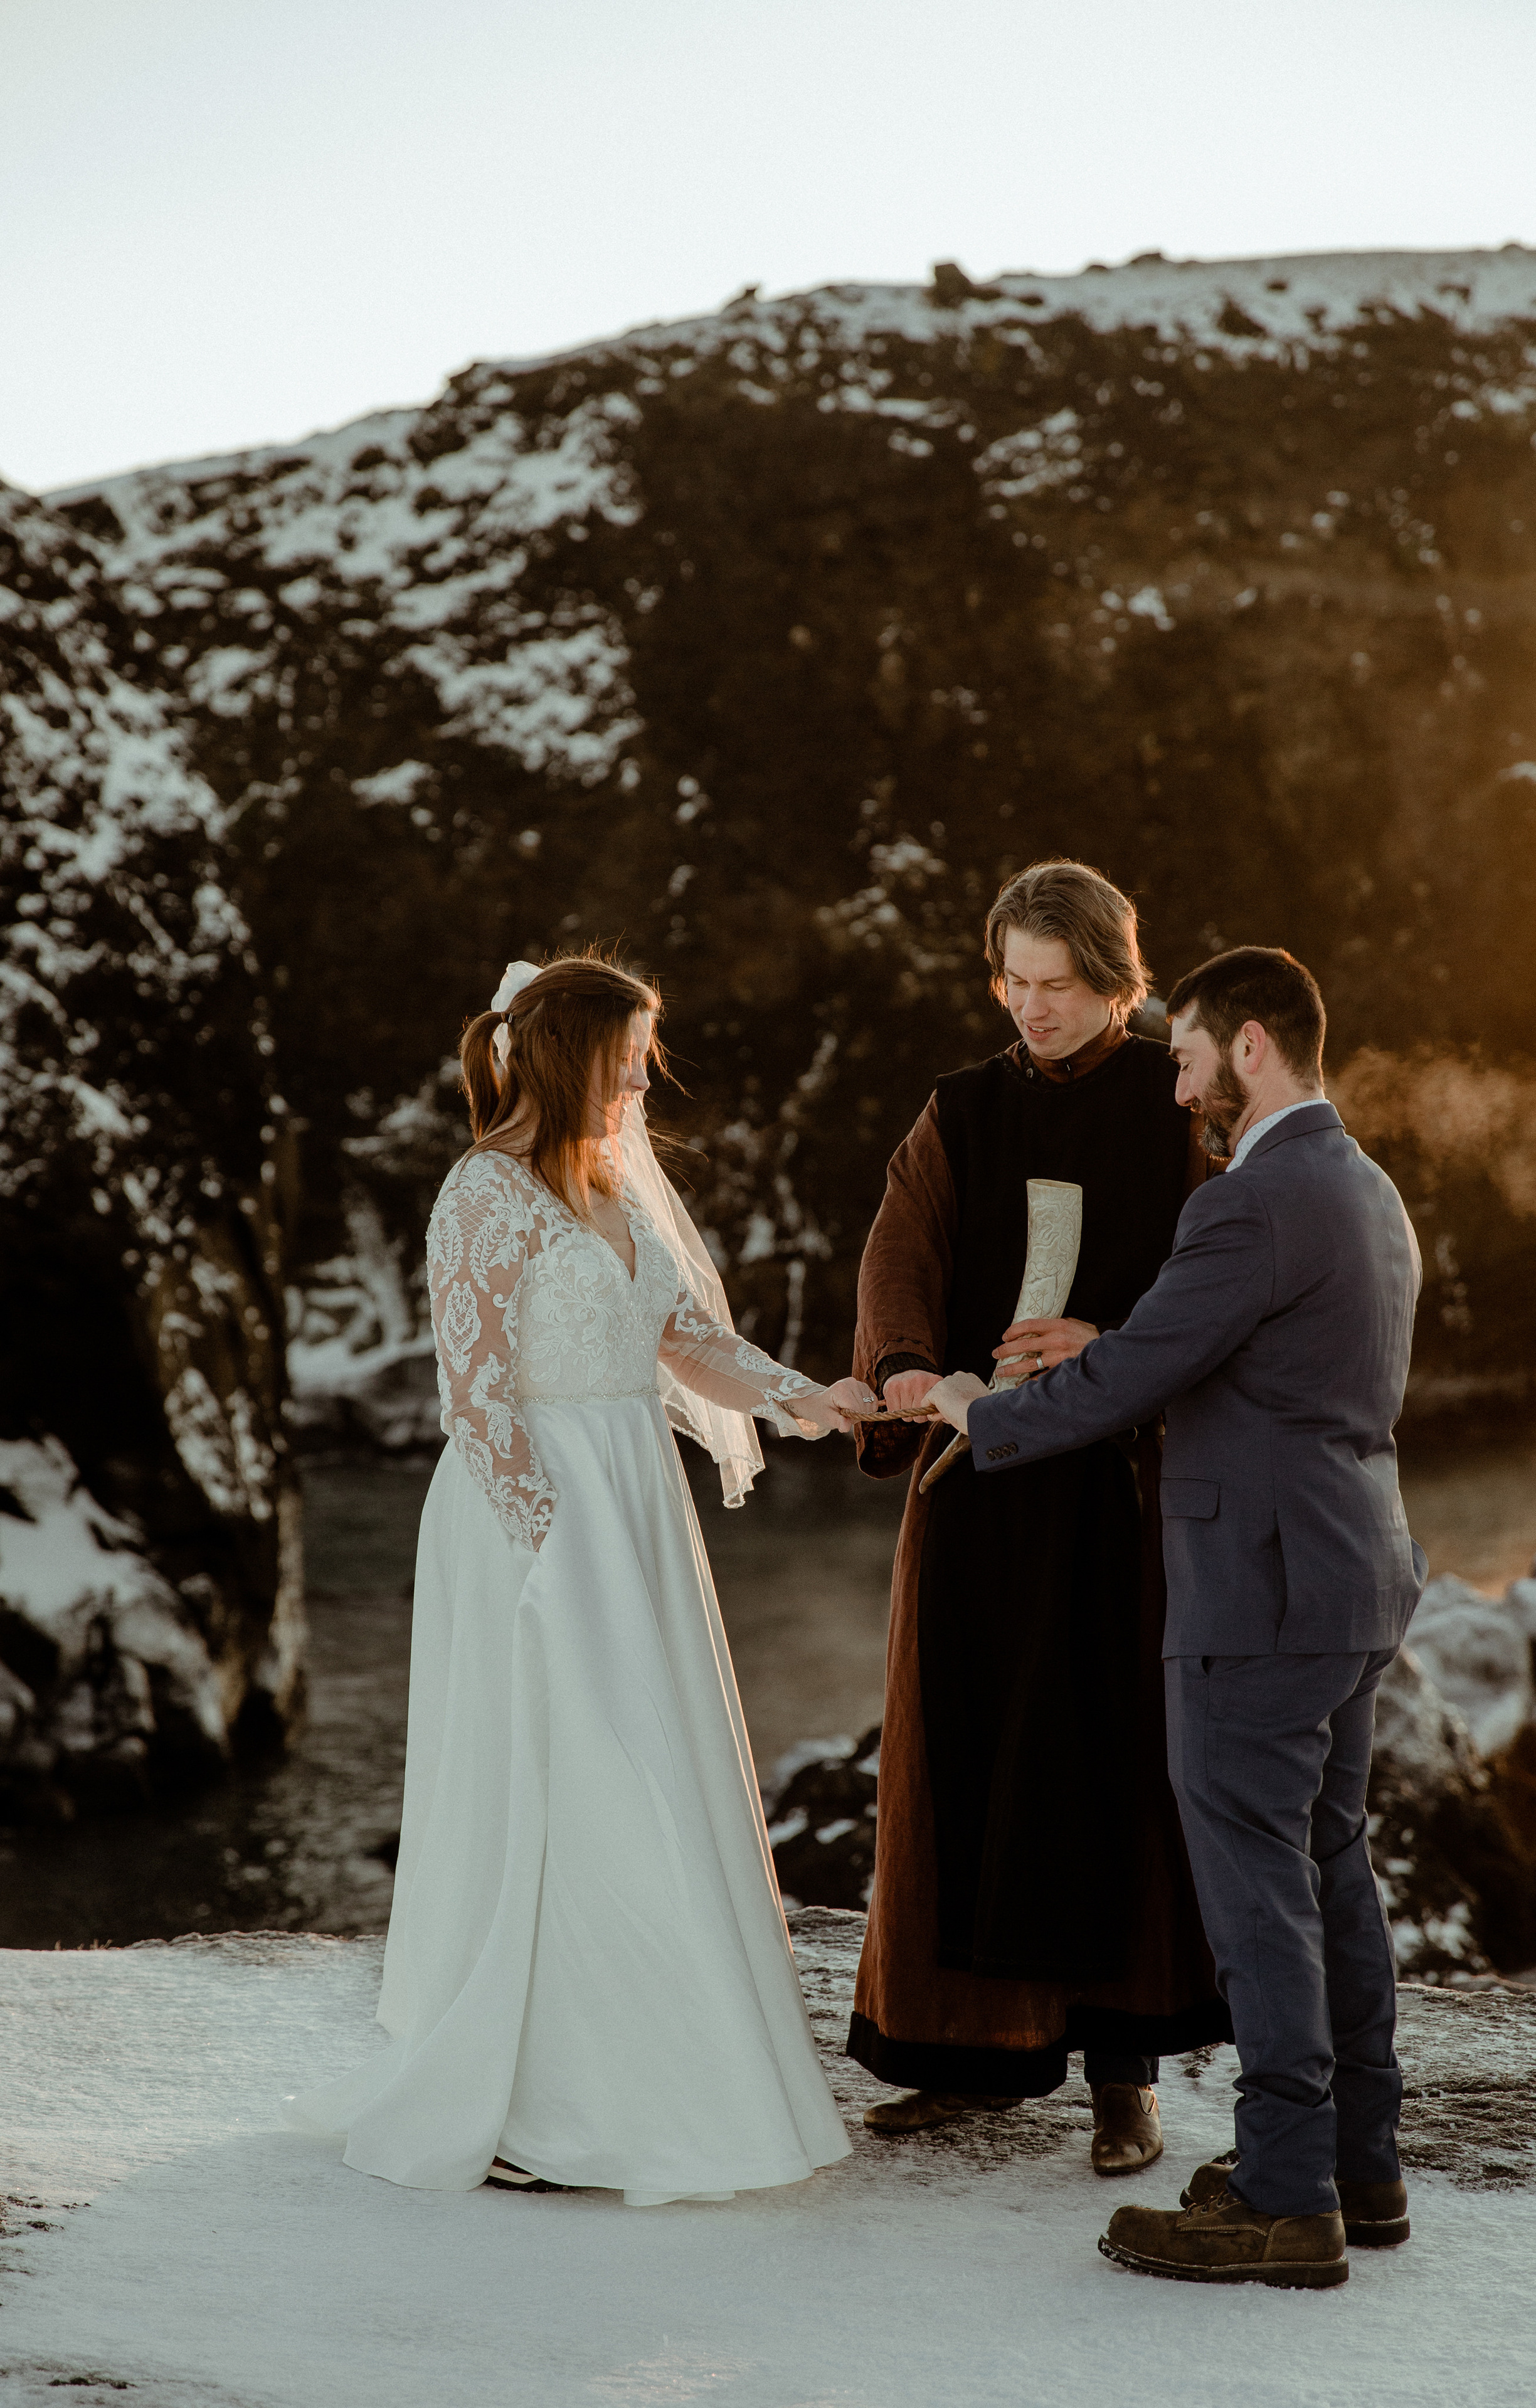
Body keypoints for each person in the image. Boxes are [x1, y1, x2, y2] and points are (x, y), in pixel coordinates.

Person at [288, 952, 874, 2205]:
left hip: (634, 1502)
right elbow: (476, 1395)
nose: (642, 1082)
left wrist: (806, 1398)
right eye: (627, 1059)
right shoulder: (482, 1193)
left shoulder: (610, 1184)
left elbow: (684, 1339)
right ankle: (531, 2102)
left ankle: (643, 2079)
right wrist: (546, 1542)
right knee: (557, 1783)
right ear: (567, 1058)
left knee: (643, 1772)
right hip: (535, 1513)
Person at [926, 945, 1426, 2289]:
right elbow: (1246, 1366)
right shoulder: (1361, 1185)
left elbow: (1136, 1375)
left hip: (1254, 1589)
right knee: (1329, 1869)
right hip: (1352, 1571)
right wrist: (1112, 1352)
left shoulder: (1247, 1202)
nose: (1177, 1084)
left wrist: (980, 1411)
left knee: (1257, 1891)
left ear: (1250, 1045)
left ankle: (1282, 2199)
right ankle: (1358, 2168)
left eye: (1191, 1055)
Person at [846, 860, 1232, 2178]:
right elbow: (900, 1249)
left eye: (1056, 984)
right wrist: (906, 1362)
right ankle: (963, 2052)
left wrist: (1111, 1342)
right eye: (1012, 982)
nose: (1031, 1008)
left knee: (1112, 1763)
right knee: (962, 1761)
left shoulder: (1179, 1103)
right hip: (974, 1486)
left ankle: (1124, 2078)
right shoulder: (959, 1107)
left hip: (1121, 1489)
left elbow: (1222, 1278)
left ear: (1116, 983)